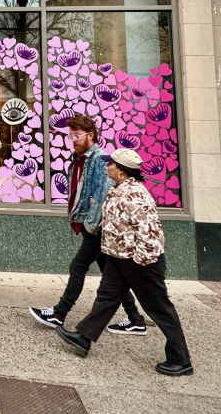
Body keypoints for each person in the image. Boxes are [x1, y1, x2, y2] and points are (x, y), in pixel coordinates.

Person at [55, 148, 193, 376]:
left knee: (159, 308)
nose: (107, 166)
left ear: (121, 171)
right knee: (106, 298)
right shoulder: (118, 190)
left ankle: (180, 359)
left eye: (111, 164)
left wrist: (141, 262)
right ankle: (84, 337)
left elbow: (150, 232)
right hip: (118, 257)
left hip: (139, 262)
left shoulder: (135, 195)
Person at [29, 115, 147, 335]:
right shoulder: (80, 159)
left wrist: (90, 227)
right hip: (89, 224)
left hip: (96, 227)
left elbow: (101, 199)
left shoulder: (100, 159)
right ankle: (135, 319)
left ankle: (59, 313)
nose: (72, 140)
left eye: (77, 136)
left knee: (78, 267)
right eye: (71, 135)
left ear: (90, 135)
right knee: (112, 275)